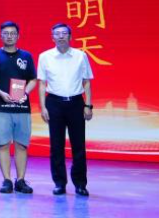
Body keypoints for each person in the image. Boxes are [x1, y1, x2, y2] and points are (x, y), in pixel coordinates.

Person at [38, 23, 94, 197]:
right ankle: (59, 183)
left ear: (70, 36)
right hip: (54, 103)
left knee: (79, 145)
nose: (61, 36)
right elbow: (42, 84)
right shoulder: (45, 57)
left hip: (76, 103)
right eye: (57, 34)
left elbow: (86, 81)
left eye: (64, 33)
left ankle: (80, 183)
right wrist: (43, 107)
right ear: (52, 37)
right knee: (56, 146)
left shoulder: (80, 56)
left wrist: (88, 105)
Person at [0, 21, 37, 194]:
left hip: (22, 108)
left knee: (21, 145)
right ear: (0, 36)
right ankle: (7, 180)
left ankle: (20, 180)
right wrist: (1, 93)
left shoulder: (26, 56)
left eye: (12, 33)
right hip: (1, 107)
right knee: (3, 144)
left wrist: (25, 93)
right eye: (6, 33)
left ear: (18, 36)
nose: (9, 36)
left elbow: (33, 79)